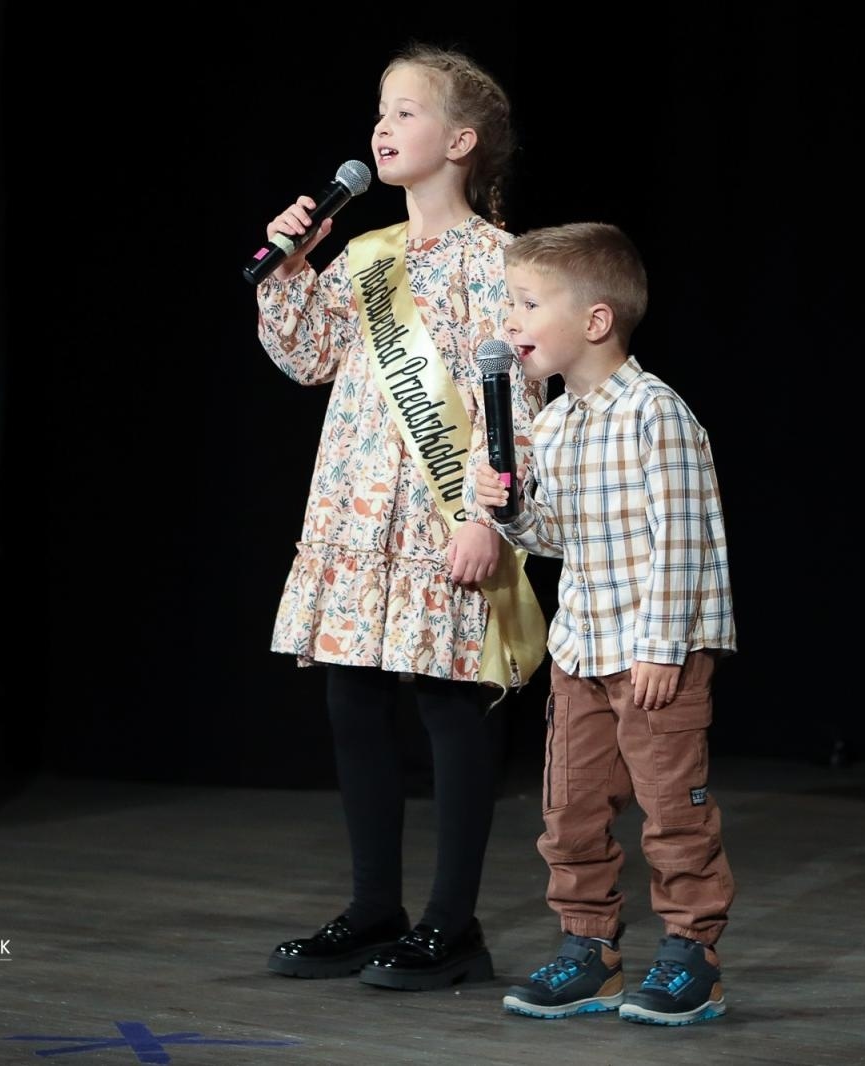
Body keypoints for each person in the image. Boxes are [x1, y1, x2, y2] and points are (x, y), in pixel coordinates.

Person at [251, 42, 548, 992]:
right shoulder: (365, 253)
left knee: (449, 704)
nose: (382, 127)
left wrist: (486, 519)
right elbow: (306, 357)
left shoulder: (501, 261)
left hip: (442, 520)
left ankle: (452, 926)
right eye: (379, 111)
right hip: (354, 512)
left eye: (407, 111)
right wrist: (289, 261)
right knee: (354, 699)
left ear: (461, 141)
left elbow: (517, 406)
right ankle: (373, 903)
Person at [473, 222, 738, 1025]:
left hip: (655, 652)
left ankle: (693, 953)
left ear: (595, 320)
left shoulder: (657, 414)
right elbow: (556, 538)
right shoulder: (552, 424)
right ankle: (590, 950)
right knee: (571, 808)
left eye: (526, 304)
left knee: (672, 811)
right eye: (507, 305)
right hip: (581, 649)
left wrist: (661, 649)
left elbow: (683, 540)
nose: (509, 323)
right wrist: (515, 511)